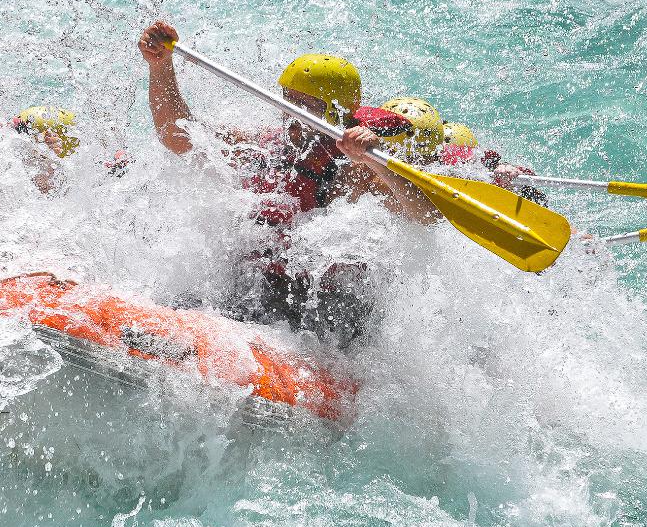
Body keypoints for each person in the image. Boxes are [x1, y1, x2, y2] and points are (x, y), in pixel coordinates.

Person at [137, 20, 438, 347]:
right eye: (289, 101)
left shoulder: (355, 171)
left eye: (307, 106)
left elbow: (427, 215)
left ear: (335, 114)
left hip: (327, 306)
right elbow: (178, 135)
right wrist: (161, 67)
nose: (292, 114)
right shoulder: (264, 148)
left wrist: (374, 160)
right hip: (258, 287)